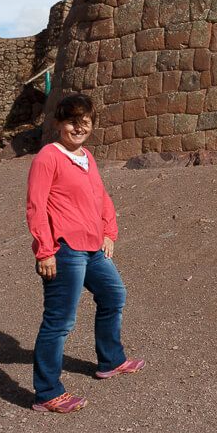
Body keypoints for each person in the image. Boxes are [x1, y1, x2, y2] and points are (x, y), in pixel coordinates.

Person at [26, 94, 144, 413]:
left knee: (114, 295)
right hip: (64, 250)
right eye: (72, 121)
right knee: (60, 322)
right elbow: (36, 207)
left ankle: (110, 360)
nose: (79, 127)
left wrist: (109, 232)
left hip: (93, 248)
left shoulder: (87, 157)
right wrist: (45, 251)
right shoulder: (48, 157)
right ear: (58, 123)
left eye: (85, 122)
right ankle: (47, 392)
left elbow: (101, 197)